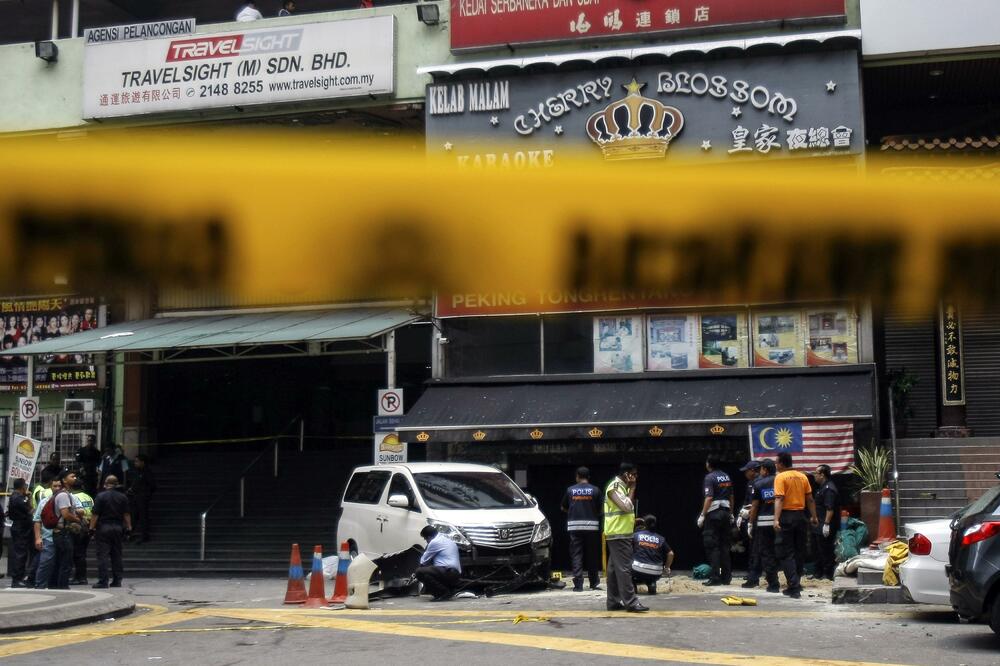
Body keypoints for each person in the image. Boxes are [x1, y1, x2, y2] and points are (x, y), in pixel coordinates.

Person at [773, 452, 819, 599]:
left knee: (787, 553)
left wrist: (776, 519)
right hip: (801, 517)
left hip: (787, 517)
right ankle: (796, 583)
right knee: (799, 551)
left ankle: (793, 587)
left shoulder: (780, 477)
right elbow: (810, 499)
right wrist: (814, 516)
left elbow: (779, 499)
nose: (775, 465)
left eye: (776, 462)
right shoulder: (802, 476)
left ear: (781, 464)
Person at [603, 462, 648, 612]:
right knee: (624, 569)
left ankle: (613, 601)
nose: (636, 477)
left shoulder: (622, 487)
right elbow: (626, 507)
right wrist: (633, 488)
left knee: (613, 570)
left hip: (618, 532)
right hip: (619, 534)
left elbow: (623, 511)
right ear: (625, 474)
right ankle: (631, 602)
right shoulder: (615, 487)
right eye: (633, 474)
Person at [560, 466, 602, 592]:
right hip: (592, 527)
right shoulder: (595, 490)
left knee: (576, 555)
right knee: (592, 555)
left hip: (575, 527)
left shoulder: (570, 490)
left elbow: (563, 507)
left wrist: (573, 512)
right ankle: (593, 583)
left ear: (577, 476)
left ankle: (578, 585)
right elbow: (601, 508)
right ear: (588, 477)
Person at [90, 475, 132, 588]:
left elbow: (95, 514)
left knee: (103, 555)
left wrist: (91, 528)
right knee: (117, 554)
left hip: (103, 527)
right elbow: (126, 514)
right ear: (117, 484)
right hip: (118, 527)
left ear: (105, 484)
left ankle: (103, 581)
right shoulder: (123, 497)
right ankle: (117, 580)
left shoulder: (100, 496)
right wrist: (129, 527)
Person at [698, 455, 734, 587]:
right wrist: (731, 513)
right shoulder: (726, 476)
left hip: (714, 514)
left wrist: (702, 515)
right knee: (724, 546)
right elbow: (731, 496)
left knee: (712, 546)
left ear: (708, 464)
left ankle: (715, 578)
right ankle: (726, 577)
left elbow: (709, 498)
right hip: (726, 513)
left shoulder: (710, 477)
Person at [748, 459, 780, 593]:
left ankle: (773, 583)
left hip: (763, 523)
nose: (759, 471)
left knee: (766, 553)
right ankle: (793, 581)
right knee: (784, 552)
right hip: (780, 522)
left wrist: (750, 522)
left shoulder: (759, 484)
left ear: (765, 470)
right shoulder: (781, 481)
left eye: (761, 469)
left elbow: (755, 506)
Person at [51, 470, 85, 590]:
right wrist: (77, 519)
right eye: (72, 476)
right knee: (65, 561)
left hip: (63, 532)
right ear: (64, 480)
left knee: (61, 560)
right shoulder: (63, 495)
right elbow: (65, 514)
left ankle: (55, 585)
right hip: (63, 533)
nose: (75, 478)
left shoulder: (66, 494)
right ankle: (62, 586)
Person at [414, 525, 461, 601]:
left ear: (429, 537)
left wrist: (414, 575)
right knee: (428, 573)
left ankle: (443, 593)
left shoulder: (435, 542)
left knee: (419, 572)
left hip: (447, 571)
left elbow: (423, 562)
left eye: (425, 539)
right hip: (455, 573)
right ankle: (447, 590)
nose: (426, 541)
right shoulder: (448, 540)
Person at [631, 515, 673, 595]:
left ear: (644, 525)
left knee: (626, 564)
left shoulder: (636, 535)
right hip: (656, 573)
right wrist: (667, 567)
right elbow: (671, 553)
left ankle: (632, 587)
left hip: (638, 571)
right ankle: (652, 583)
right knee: (651, 574)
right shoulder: (660, 538)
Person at [32, 478, 62, 589]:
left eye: (59, 486)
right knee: (45, 562)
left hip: (63, 537)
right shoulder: (44, 502)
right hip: (48, 537)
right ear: (50, 487)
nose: (57, 488)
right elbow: (37, 521)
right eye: (55, 486)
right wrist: (38, 538)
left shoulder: (69, 499)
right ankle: (40, 585)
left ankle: (56, 585)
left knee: (61, 563)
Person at [812, 465, 840, 581]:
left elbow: (830, 508)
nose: (814, 475)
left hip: (825, 524)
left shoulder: (829, 489)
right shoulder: (822, 487)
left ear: (822, 475)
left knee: (826, 550)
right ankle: (818, 573)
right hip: (819, 523)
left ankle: (827, 574)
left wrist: (826, 524)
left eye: (816, 473)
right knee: (818, 550)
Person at [737, 460, 761, 588]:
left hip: (759, 519)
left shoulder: (760, 482)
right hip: (752, 518)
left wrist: (750, 516)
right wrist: (742, 513)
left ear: (752, 470)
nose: (745, 474)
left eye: (746, 471)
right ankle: (752, 574)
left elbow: (758, 503)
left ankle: (754, 577)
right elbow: (748, 501)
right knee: (753, 548)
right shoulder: (750, 483)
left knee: (757, 550)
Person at [70, 472, 95, 585]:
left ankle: (80, 577)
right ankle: (80, 577)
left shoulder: (73, 497)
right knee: (82, 553)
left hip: (79, 525)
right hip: (88, 525)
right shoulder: (88, 497)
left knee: (77, 553)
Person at [8, 478, 33, 587]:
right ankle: (17, 579)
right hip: (20, 527)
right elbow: (29, 510)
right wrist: (29, 499)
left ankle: (19, 577)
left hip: (21, 526)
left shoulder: (17, 496)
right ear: (23, 486)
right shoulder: (18, 498)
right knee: (20, 553)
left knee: (21, 552)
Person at [127, 454, 156, 543]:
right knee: (134, 516)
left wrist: (145, 494)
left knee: (143, 516)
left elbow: (152, 485)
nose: (135, 463)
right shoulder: (137, 472)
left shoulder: (147, 472)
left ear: (142, 462)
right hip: (136, 497)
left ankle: (144, 536)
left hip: (142, 497)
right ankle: (130, 534)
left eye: (137, 461)